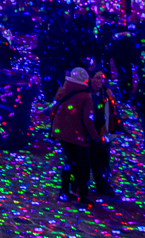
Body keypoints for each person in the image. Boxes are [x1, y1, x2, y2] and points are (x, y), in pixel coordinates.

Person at [51, 67, 99, 204]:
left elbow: (53, 109)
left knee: (70, 161)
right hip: (78, 136)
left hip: (61, 133)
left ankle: (64, 191)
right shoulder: (86, 96)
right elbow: (88, 120)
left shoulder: (62, 90)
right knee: (84, 166)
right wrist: (95, 137)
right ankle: (82, 195)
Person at [89, 69, 122, 197]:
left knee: (103, 159)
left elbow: (113, 111)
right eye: (97, 77)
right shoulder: (87, 94)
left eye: (102, 78)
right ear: (91, 78)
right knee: (94, 159)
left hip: (105, 132)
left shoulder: (106, 94)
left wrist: (117, 127)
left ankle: (103, 184)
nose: (100, 81)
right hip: (91, 132)